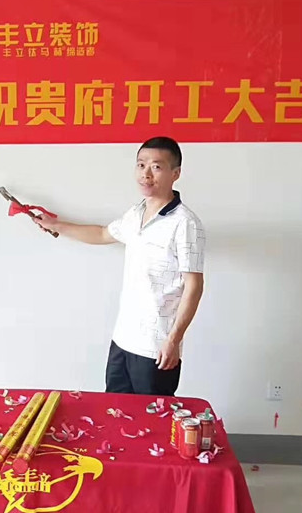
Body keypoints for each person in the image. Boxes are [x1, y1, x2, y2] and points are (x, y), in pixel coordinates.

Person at [32, 136, 205, 396]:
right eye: (141, 165)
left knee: (152, 415)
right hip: (123, 339)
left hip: (156, 347)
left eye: (156, 167)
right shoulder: (136, 213)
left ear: (175, 173)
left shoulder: (186, 223)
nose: (146, 174)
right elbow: (103, 234)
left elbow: (194, 286)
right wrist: (55, 225)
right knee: (114, 409)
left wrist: (174, 339)